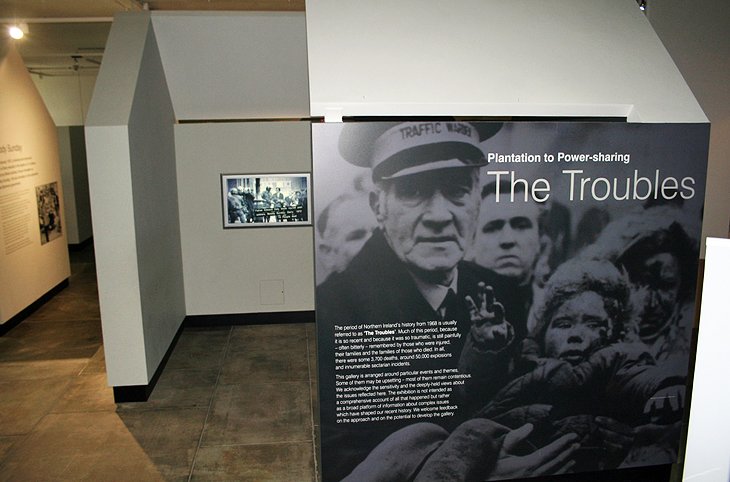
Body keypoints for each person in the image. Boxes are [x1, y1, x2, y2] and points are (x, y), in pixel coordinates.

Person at [316, 121, 567, 481]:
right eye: (413, 191)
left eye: (457, 190)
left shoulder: (501, 291)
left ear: (477, 201)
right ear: (378, 206)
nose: (438, 216)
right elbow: (338, 458)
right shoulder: (332, 309)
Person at [472, 258, 685, 472]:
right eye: (564, 324)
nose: (576, 335)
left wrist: (667, 386)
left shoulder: (613, 362)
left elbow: (638, 377)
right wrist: (485, 349)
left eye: (593, 324)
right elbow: (479, 393)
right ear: (543, 332)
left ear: (617, 333)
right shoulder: (522, 361)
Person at [468, 179, 548, 340]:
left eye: (521, 226)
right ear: (471, 241)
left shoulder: (556, 309)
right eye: (492, 228)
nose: (508, 240)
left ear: (540, 239)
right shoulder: (448, 309)